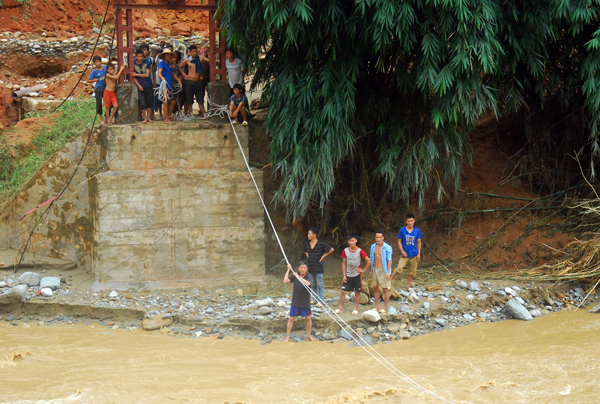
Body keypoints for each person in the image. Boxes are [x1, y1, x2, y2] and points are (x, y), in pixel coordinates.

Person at [335, 234, 371, 315]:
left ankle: (356, 308)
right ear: (348, 242)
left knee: (358, 292)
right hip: (348, 274)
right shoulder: (345, 251)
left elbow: (369, 261)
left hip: (357, 274)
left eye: (353, 240)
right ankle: (341, 308)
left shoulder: (360, 251)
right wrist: (344, 275)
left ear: (356, 241)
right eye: (350, 241)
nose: (351, 242)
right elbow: (344, 263)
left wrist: (363, 270)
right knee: (343, 291)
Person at [283, 261, 315, 342]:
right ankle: (287, 337)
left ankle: (309, 335)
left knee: (308, 318)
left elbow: (308, 284)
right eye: (301, 268)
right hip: (296, 301)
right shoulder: (295, 274)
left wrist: (298, 277)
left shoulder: (309, 275)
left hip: (305, 301)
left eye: (304, 268)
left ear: (307, 269)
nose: (303, 269)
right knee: (291, 318)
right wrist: (288, 270)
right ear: (298, 268)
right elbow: (285, 281)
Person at [391, 213, 423, 291]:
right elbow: (399, 241)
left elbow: (419, 242)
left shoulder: (417, 231)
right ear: (406, 221)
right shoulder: (402, 230)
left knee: (412, 272)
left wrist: (419, 254)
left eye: (411, 221)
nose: (410, 223)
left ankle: (408, 287)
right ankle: (389, 282)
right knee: (399, 268)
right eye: (408, 221)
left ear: (414, 221)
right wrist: (402, 251)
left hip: (414, 254)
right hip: (404, 255)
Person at [303, 227, 334, 304]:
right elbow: (304, 250)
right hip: (310, 266)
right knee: (312, 284)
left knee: (319, 284)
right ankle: (314, 299)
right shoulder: (307, 244)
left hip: (319, 267)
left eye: (309, 233)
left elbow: (331, 249)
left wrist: (323, 256)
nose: (308, 235)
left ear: (314, 235)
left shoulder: (321, 244)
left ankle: (320, 300)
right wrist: (308, 256)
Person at [181, 44, 211, 116]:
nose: (194, 53)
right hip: (190, 81)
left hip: (198, 81)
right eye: (193, 52)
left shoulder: (201, 58)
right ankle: (191, 114)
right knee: (189, 99)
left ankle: (204, 113)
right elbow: (179, 67)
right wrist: (184, 75)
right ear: (190, 52)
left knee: (200, 99)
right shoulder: (187, 60)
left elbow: (211, 61)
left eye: (195, 51)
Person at [369, 230, 393, 313]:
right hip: (375, 269)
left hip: (383, 270)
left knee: (385, 289)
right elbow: (371, 258)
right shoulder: (373, 246)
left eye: (380, 237)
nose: (378, 239)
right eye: (377, 237)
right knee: (375, 288)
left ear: (383, 237)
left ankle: (385, 307)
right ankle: (377, 306)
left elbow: (389, 260)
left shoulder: (387, 247)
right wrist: (370, 271)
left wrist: (388, 272)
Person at [157, 48, 182, 124]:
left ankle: (168, 116)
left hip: (170, 85)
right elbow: (159, 72)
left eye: (169, 55)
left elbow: (173, 74)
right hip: (165, 86)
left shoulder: (170, 64)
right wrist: (161, 77)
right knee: (166, 101)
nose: (168, 56)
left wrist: (178, 80)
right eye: (167, 55)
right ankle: (167, 119)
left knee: (173, 101)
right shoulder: (162, 63)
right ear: (164, 56)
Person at [132, 48, 153, 124]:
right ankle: (145, 118)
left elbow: (147, 75)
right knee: (142, 103)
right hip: (140, 86)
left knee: (149, 102)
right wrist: (138, 85)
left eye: (141, 56)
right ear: (136, 56)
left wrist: (137, 74)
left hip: (148, 85)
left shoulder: (146, 64)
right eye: (139, 56)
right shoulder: (133, 65)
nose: (140, 58)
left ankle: (148, 117)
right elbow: (133, 78)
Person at [87, 55, 106, 125]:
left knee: (107, 103)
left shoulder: (105, 68)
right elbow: (88, 80)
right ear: (95, 63)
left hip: (105, 89)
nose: (98, 63)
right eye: (96, 62)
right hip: (98, 89)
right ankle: (101, 119)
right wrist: (95, 80)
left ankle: (107, 117)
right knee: (99, 104)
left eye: (99, 61)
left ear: (101, 62)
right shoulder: (94, 71)